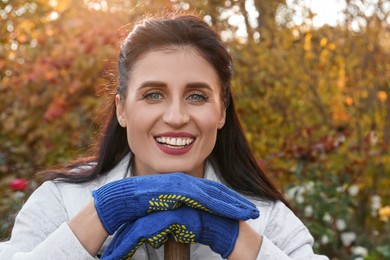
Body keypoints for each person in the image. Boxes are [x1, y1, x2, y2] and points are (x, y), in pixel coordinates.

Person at [0, 13, 328, 259]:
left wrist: (233, 237)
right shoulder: (61, 202)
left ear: (222, 112)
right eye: (153, 94)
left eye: (197, 96)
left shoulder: (264, 217)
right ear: (122, 110)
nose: (175, 117)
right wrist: (101, 216)